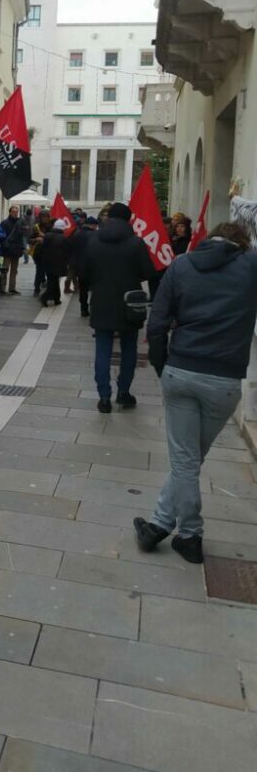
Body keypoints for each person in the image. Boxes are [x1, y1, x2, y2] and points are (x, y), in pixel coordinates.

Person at [135, 222, 257, 564]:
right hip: (225, 379)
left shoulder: (182, 265)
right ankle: (162, 526)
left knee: (186, 460)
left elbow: (157, 323)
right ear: (242, 243)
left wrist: (162, 366)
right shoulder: (251, 265)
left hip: (181, 371)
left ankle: (184, 532)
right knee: (189, 459)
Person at [83, 202, 157, 414]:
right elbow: (149, 272)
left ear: (108, 218)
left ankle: (104, 397)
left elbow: (84, 272)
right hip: (129, 302)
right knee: (129, 348)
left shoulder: (94, 240)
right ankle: (123, 391)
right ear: (128, 219)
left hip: (101, 301)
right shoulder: (136, 242)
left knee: (102, 349)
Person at [69, 215, 98, 317]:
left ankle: (83, 308)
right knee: (95, 288)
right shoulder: (96, 235)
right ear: (93, 225)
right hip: (93, 266)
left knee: (83, 288)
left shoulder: (77, 234)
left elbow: (72, 249)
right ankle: (93, 306)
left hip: (80, 266)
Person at [39, 218, 71, 307]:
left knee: (52, 280)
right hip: (59, 263)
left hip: (47, 262)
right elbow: (67, 252)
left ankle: (57, 298)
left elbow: (42, 249)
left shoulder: (47, 236)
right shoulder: (64, 238)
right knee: (53, 282)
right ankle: (45, 298)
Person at [0, 205, 25, 295]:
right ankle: (2, 288)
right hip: (8, 249)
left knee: (14, 270)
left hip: (16, 249)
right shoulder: (4, 223)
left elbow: (21, 236)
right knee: (5, 270)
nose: (15, 213)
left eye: (16, 212)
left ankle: (12, 288)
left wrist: (22, 247)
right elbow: (2, 236)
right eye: (13, 212)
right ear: (10, 212)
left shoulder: (20, 222)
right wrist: (4, 246)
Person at [30, 209, 52, 296]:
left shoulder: (51, 227)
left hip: (50, 253)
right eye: (43, 217)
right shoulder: (36, 227)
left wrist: (45, 237)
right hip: (39, 253)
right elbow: (29, 239)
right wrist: (35, 239)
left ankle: (49, 289)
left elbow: (55, 239)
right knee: (39, 271)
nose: (44, 219)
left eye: (46, 217)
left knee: (49, 272)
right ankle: (36, 288)